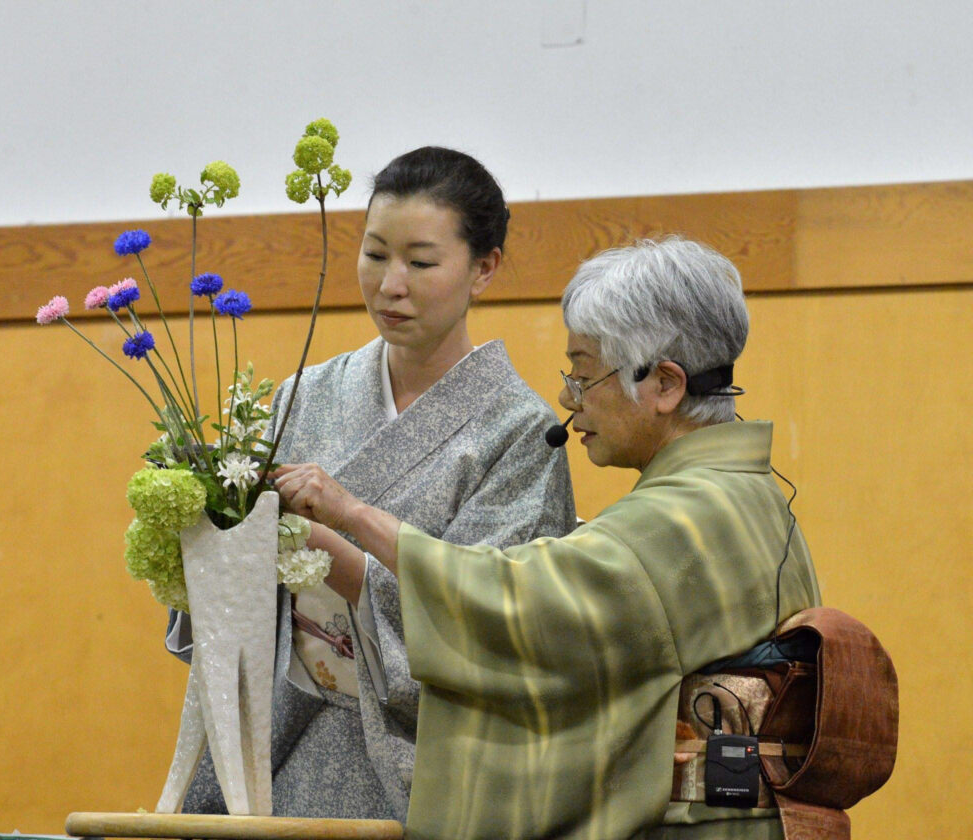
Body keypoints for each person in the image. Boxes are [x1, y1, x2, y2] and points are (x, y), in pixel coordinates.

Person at [273, 237, 823, 839]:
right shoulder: (744, 495)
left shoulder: (685, 518)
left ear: (665, 384)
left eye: (585, 374)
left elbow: (518, 605)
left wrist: (351, 514)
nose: (567, 398)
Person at [166, 147, 577, 821]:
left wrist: (326, 543)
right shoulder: (307, 393)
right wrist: (210, 525)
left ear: (485, 268)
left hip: (418, 770)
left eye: (420, 262)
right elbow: (226, 610)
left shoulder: (517, 433)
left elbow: (500, 628)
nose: (391, 284)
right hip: (273, 748)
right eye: (374, 254)